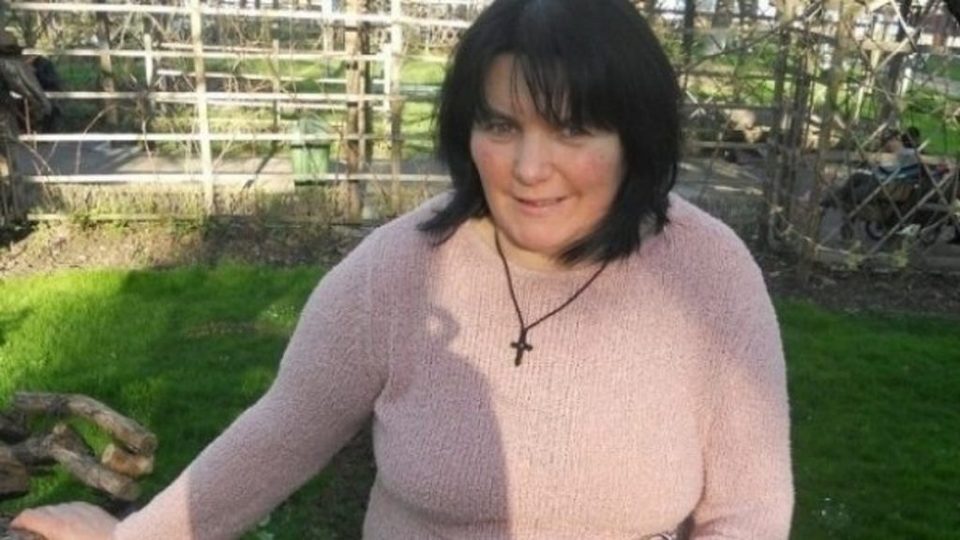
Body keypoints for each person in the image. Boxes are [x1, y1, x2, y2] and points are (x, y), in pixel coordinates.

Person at [12, 0, 793, 538]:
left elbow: (749, 513)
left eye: (572, 130)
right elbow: (282, 433)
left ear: (635, 138)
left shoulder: (709, 275)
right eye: (501, 126)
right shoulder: (395, 271)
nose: (529, 168)